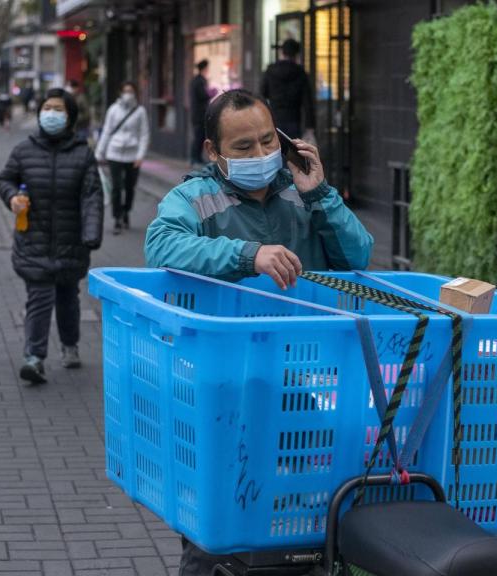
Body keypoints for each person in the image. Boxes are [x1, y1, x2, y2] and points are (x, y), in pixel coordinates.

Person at [145, 88, 372, 574]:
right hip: (221, 390)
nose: (261, 155)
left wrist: (321, 194)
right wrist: (249, 255)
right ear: (214, 152)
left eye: (269, 141)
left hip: (304, 386)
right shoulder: (194, 198)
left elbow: (358, 258)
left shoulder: (303, 194)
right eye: (243, 147)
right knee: (216, 532)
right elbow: (161, 247)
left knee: (306, 522)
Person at [0, 88, 103, 384]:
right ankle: (34, 357)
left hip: (72, 241)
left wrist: (91, 234)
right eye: (47, 108)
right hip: (34, 238)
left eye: (58, 109)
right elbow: (6, 179)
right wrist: (12, 199)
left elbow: (92, 196)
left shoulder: (83, 154)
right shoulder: (23, 150)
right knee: (40, 297)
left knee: (68, 297)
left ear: (69, 117)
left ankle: (70, 345)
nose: (52, 113)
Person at [95, 81, 150, 235]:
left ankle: (126, 211)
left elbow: (144, 134)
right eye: (125, 91)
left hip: (133, 156)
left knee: (130, 187)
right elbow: (106, 131)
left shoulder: (140, 111)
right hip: (114, 153)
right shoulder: (113, 109)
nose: (128, 94)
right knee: (116, 188)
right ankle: (117, 217)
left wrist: (140, 156)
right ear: (120, 93)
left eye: (131, 91)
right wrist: (99, 153)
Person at [260, 39, 316, 142]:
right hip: (293, 120)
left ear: (282, 52)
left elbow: (262, 94)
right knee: (293, 152)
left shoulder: (271, 70)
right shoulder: (300, 73)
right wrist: (310, 127)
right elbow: (308, 102)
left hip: (274, 119)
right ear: (297, 54)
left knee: (275, 150)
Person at [188, 59, 211, 166]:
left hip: (197, 114)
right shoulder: (200, 81)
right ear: (204, 68)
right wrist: (212, 93)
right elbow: (202, 95)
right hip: (199, 115)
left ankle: (197, 158)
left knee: (200, 137)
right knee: (198, 137)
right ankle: (194, 158)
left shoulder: (196, 80)